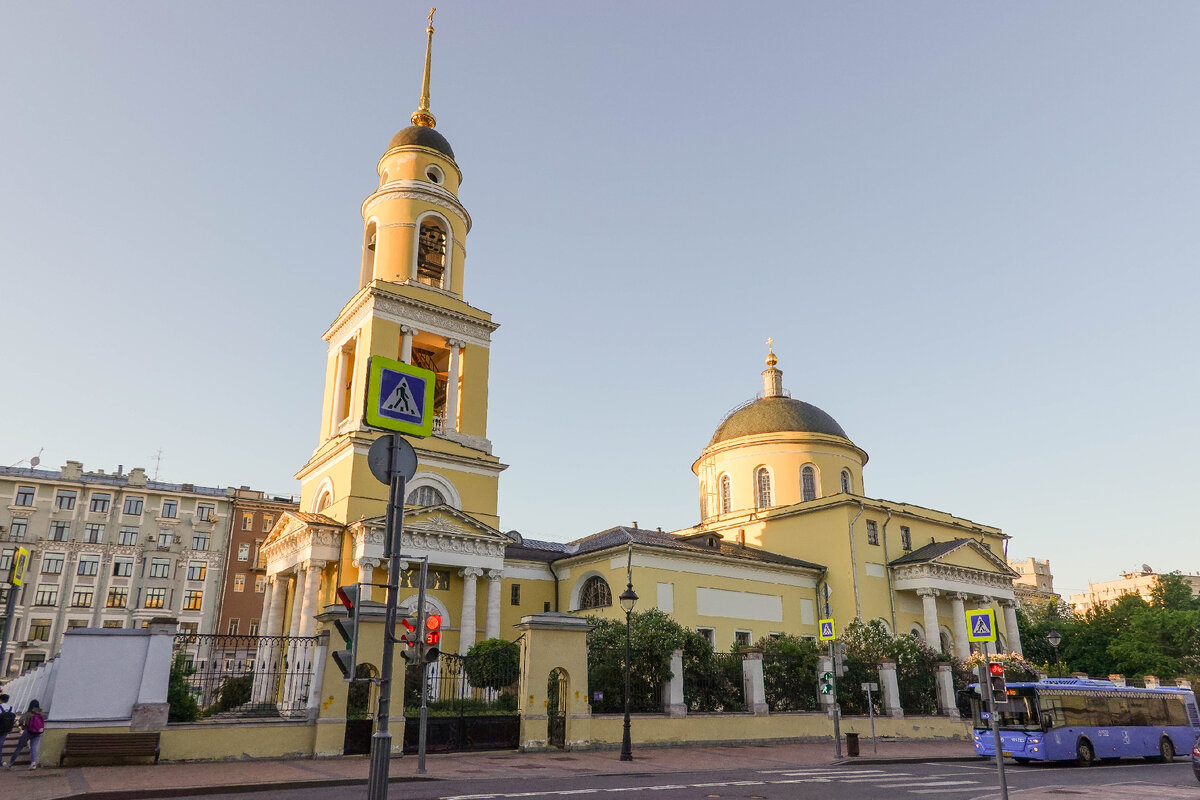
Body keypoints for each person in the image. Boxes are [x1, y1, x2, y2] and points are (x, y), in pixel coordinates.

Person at [4, 699, 44, 770]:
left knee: (19, 747)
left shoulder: (28, 713)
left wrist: (22, 725)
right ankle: (33, 763)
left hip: (28, 732)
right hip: (37, 733)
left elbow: (21, 720)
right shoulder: (40, 713)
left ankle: (11, 763)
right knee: (34, 747)